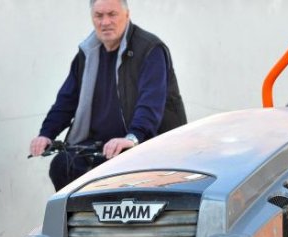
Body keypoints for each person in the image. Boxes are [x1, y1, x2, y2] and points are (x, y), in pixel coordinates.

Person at [28, 0, 187, 191]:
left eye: (112, 14)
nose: (105, 22)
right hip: (98, 148)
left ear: (127, 15)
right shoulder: (87, 53)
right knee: (62, 166)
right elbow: (67, 99)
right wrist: (46, 134)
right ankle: (77, 221)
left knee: (120, 184)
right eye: (99, 16)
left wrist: (134, 137)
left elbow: (151, 102)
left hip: (145, 145)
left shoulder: (150, 49)